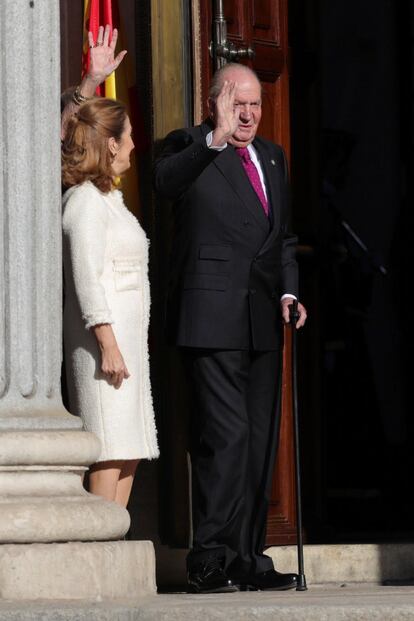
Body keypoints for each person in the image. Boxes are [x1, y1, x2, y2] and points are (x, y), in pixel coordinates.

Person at [154, 63, 307, 593]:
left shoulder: (272, 156)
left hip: (264, 315)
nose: (248, 114)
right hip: (210, 317)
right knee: (227, 436)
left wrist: (290, 291)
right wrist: (215, 139)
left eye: (255, 105)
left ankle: (247, 557)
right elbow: (166, 184)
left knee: (260, 440)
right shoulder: (188, 144)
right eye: (238, 103)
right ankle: (209, 559)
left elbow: (282, 236)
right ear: (216, 100)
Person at [62, 97, 159, 508]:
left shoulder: (108, 200)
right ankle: (94, 560)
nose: (135, 144)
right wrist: (109, 345)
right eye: (130, 135)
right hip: (107, 352)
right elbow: (86, 277)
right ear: (113, 145)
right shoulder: (84, 201)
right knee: (108, 450)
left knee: (128, 447)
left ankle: (114, 555)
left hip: (126, 349)